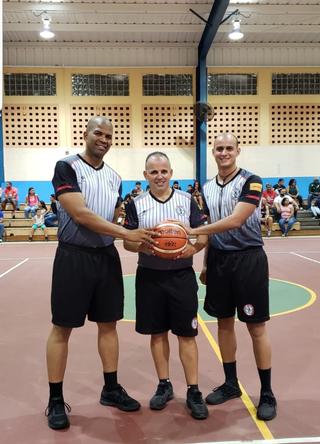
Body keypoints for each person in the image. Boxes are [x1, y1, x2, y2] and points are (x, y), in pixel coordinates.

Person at [45, 116, 156, 430]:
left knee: (109, 326)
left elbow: (114, 216)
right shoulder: (66, 167)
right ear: (86, 134)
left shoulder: (114, 177)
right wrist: (126, 233)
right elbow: (80, 214)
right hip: (73, 257)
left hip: (106, 258)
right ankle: (55, 399)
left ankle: (110, 388)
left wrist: (140, 237)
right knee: (62, 328)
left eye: (109, 135)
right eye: (99, 133)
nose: (104, 139)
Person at [187, 133, 277, 421]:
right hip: (219, 262)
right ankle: (230, 384)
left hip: (248, 259)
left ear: (238, 150)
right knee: (223, 324)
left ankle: (266, 392)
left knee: (256, 327)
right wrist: (204, 263)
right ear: (213, 152)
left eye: (229, 148)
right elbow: (214, 229)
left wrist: (194, 232)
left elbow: (237, 219)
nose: (224, 153)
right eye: (219, 149)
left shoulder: (252, 180)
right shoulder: (208, 186)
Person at [123, 151, 209, 420]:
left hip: (181, 277)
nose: (159, 176)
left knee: (187, 334)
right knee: (157, 333)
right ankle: (164, 384)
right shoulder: (136, 204)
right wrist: (149, 247)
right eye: (153, 172)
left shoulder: (186, 201)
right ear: (145, 175)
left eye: (164, 171)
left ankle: (193, 390)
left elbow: (204, 233)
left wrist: (191, 249)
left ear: (171, 173)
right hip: (149, 276)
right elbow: (126, 242)